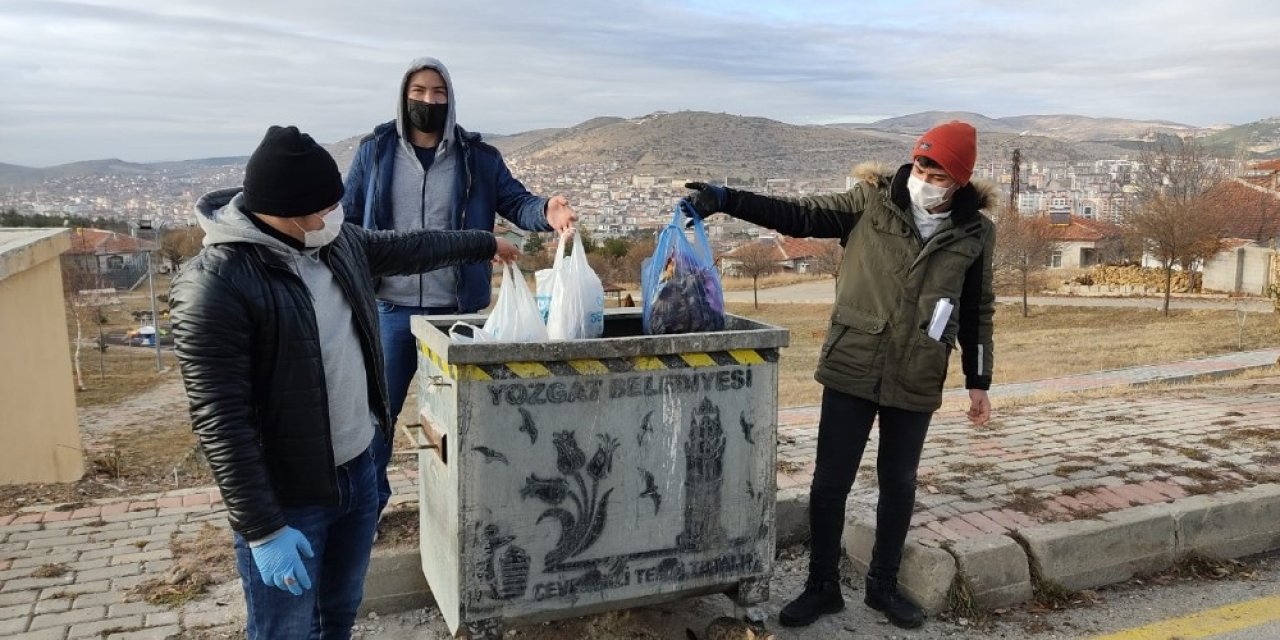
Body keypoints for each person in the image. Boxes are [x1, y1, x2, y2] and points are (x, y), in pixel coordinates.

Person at [170, 125, 519, 639]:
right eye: (326, 207)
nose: (337, 215)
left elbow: (412, 248)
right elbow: (221, 423)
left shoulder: (336, 243)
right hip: (290, 500)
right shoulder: (216, 286)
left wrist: (485, 242)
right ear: (287, 212)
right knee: (285, 631)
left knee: (337, 616)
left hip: (357, 475)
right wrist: (264, 529)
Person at [683, 121, 995, 630]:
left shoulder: (976, 232)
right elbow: (798, 215)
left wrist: (977, 379)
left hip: (917, 371)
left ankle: (883, 587)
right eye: (921, 166)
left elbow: (979, 307)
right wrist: (724, 198)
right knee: (831, 482)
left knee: (899, 483)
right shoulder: (868, 202)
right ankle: (822, 586)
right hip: (854, 360)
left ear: (960, 180)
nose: (925, 177)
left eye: (937, 172)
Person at [342, 57, 576, 513]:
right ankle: (365, 511)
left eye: (438, 93)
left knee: (461, 422)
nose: (428, 101)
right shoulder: (375, 152)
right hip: (389, 310)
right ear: (403, 97)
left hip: (457, 314)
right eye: (419, 92)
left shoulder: (478, 158)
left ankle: (458, 509)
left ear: (450, 98)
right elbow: (347, 219)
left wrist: (547, 211)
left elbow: (516, 201)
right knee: (375, 419)